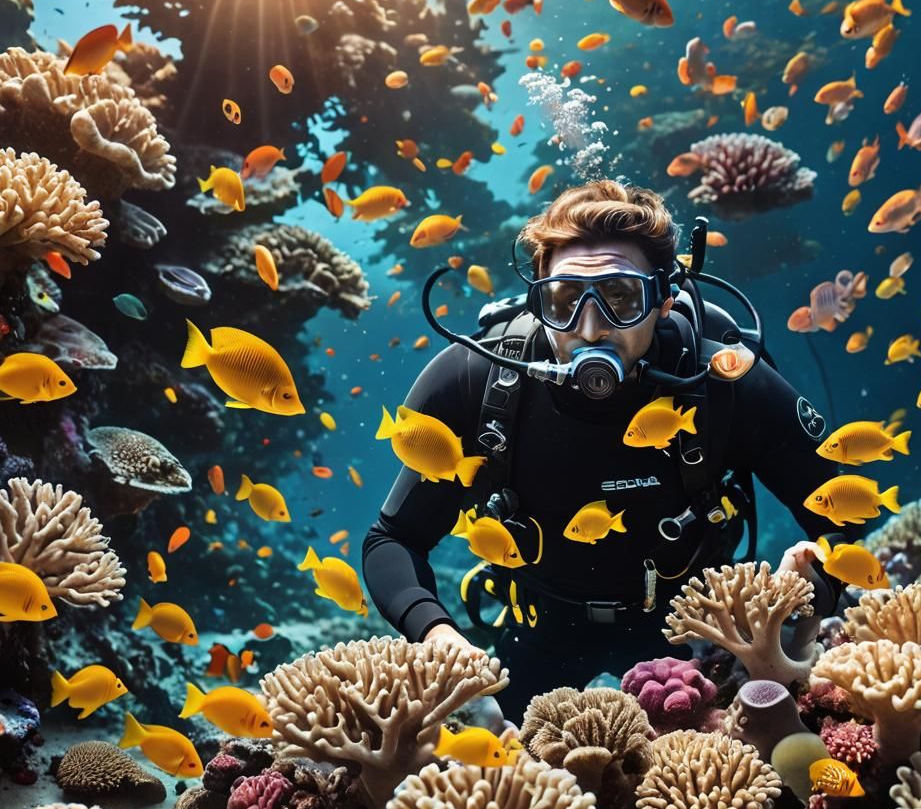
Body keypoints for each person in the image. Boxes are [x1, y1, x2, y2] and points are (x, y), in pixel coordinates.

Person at [362, 180, 846, 725]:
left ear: (664, 298)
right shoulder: (473, 379)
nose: (590, 328)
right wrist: (436, 632)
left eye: (620, 297)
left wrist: (816, 578)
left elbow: (842, 517)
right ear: (536, 299)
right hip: (539, 628)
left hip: (698, 638)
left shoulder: (725, 380)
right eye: (564, 301)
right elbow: (393, 540)